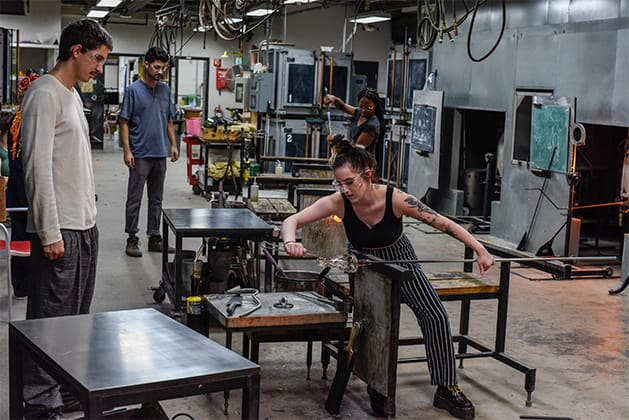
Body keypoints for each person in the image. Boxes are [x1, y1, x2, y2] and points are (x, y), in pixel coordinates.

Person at [280, 138, 495, 419]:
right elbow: (291, 221)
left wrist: (479, 249)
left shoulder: (396, 199)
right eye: (339, 183)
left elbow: (443, 223)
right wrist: (289, 242)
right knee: (372, 328)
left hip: (402, 260)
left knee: (435, 316)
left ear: (367, 174)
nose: (344, 189)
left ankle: (446, 387)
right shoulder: (339, 202)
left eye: (349, 182)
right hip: (366, 265)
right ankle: (377, 385)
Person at [20, 19, 113, 419]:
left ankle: (64, 387)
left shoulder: (72, 94)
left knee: (74, 318)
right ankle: (39, 400)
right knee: (50, 318)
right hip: (60, 229)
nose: (99, 68)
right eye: (97, 58)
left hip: (84, 225)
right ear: (76, 51)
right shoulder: (44, 94)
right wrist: (49, 231)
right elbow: (35, 169)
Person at [120, 46, 179, 257]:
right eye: (156, 67)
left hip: (160, 153)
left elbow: (169, 120)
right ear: (146, 64)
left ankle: (155, 237)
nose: (160, 71)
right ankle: (132, 238)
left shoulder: (165, 90)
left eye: (163, 68)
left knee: (157, 198)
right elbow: (124, 122)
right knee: (135, 197)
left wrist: (173, 144)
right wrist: (127, 151)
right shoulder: (133, 91)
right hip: (140, 153)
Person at [324, 87, 386, 159]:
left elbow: (357, 150)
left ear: (375, 106)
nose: (363, 110)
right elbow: (343, 106)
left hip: (364, 165)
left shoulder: (372, 125)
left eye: (369, 107)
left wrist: (338, 140)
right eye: (361, 106)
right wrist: (334, 99)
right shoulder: (359, 113)